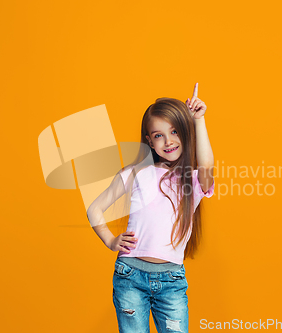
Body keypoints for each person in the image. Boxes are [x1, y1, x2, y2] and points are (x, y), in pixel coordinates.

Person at [87, 83, 215, 333]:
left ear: (186, 134)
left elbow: (207, 164)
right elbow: (94, 209)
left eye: (175, 131)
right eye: (159, 135)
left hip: (172, 281)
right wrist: (110, 240)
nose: (168, 141)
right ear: (149, 141)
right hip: (129, 276)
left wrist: (199, 120)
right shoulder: (135, 174)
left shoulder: (191, 181)